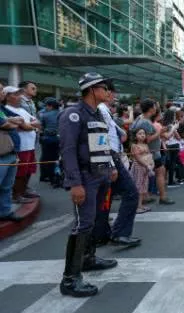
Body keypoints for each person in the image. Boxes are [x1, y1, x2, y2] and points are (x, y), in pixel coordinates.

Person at [58, 73, 120, 297]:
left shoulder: (98, 114)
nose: (108, 92)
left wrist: (111, 166)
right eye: (104, 88)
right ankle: (70, 278)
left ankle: (88, 258)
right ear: (92, 90)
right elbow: (68, 151)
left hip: (101, 175)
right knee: (82, 225)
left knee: (92, 221)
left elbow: (102, 143)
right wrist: (75, 183)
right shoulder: (72, 115)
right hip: (84, 177)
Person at [97, 85, 141, 247]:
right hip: (110, 157)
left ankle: (103, 233)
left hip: (112, 156)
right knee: (131, 193)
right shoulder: (100, 110)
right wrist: (110, 163)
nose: (112, 95)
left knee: (104, 197)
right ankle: (119, 233)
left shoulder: (104, 111)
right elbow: (100, 138)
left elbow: (116, 134)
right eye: (107, 90)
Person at [131, 99, 175, 205]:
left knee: (145, 175)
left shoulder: (140, 118)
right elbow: (148, 139)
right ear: (151, 109)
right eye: (155, 106)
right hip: (151, 153)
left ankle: (145, 196)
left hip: (146, 152)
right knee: (160, 172)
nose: (156, 108)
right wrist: (159, 132)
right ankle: (162, 197)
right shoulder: (145, 121)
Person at [4, 86, 40, 203]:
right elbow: (24, 127)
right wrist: (29, 125)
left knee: (29, 170)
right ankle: (16, 195)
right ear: (8, 96)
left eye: (20, 94)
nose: (20, 97)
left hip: (30, 146)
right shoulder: (5, 109)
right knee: (20, 172)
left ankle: (23, 191)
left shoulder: (22, 110)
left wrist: (28, 125)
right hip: (20, 147)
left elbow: (37, 123)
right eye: (16, 94)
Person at [0, 84, 25, 221]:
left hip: (9, 153)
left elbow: (16, 120)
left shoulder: (1, 109)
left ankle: (5, 211)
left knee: (7, 187)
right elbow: (6, 125)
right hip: (1, 156)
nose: (2, 92)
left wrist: (10, 121)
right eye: (0, 90)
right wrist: (11, 123)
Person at [130, 128, 154, 214]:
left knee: (143, 186)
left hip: (146, 168)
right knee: (138, 186)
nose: (142, 135)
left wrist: (151, 164)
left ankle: (140, 205)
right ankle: (137, 206)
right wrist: (147, 165)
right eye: (140, 133)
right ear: (135, 136)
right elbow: (138, 158)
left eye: (143, 133)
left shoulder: (146, 145)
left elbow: (149, 155)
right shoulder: (134, 146)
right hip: (139, 168)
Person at [39, 98, 60, 182]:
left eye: (46, 106)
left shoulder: (45, 115)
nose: (46, 108)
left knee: (45, 157)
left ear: (50, 106)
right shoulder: (62, 113)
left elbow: (42, 127)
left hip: (47, 139)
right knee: (56, 157)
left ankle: (44, 176)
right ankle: (55, 175)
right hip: (59, 138)